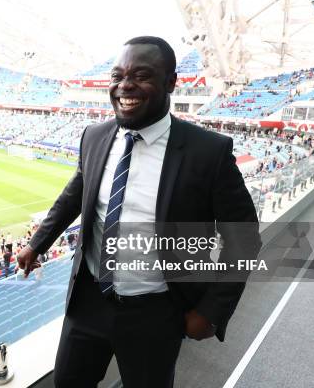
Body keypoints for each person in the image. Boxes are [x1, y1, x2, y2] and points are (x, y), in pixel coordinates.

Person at [18, 36, 261, 387]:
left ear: (171, 82)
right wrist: (38, 242)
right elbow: (77, 192)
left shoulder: (208, 152)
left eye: (141, 75)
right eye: (117, 76)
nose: (125, 86)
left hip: (157, 312)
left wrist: (211, 311)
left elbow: (244, 239)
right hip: (88, 300)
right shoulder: (95, 136)